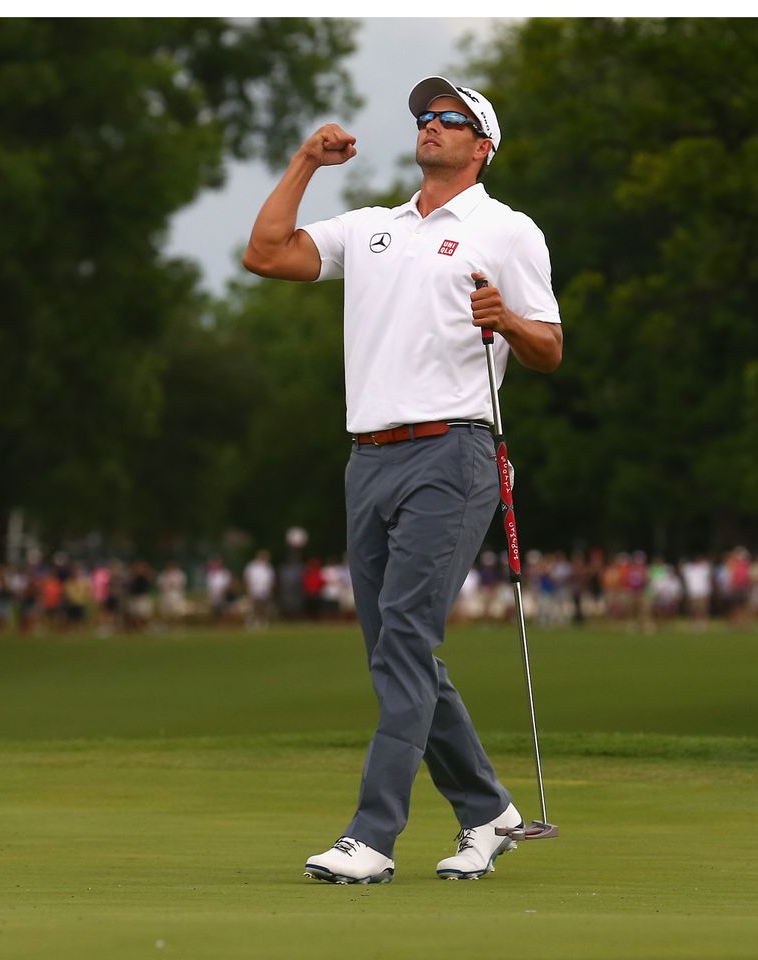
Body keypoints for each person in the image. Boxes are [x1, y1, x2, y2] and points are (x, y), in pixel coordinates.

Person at [243, 75, 562, 884]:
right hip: (369, 456)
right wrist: (306, 162)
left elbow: (549, 348)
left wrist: (509, 322)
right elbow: (266, 253)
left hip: (454, 452)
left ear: (482, 145)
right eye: (424, 115)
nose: (431, 125)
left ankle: (372, 837)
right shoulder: (374, 228)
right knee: (396, 648)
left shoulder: (507, 230)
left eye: (450, 119)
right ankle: (489, 812)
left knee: (406, 642)